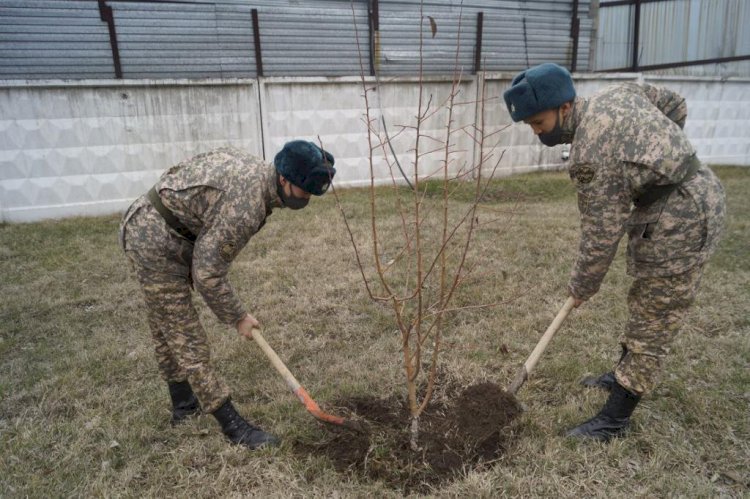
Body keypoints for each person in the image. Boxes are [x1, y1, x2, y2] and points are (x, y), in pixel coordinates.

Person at [503, 63, 726, 441]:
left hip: (683, 216)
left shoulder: (591, 153)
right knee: (645, 299)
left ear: (566, 107)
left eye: (538, 122)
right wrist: (660, 162)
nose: (536, 131)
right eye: (528, 125)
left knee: (655, 313)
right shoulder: (618, 92)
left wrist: (581, 286)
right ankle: (622, 373)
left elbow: (600, 235)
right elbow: (676, 106)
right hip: (693, 194)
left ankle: (615, 418)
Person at [119, 141, 336, 449]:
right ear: (284, 179)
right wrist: (238, 317)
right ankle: (233, 427)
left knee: (166, 326)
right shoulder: (246, 205)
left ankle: (183, 407)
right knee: (184, 336)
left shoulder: (261, 176)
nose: (307, 198)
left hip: (166, 230)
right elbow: (208, 274)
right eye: (304, 191)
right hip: (154, 241)